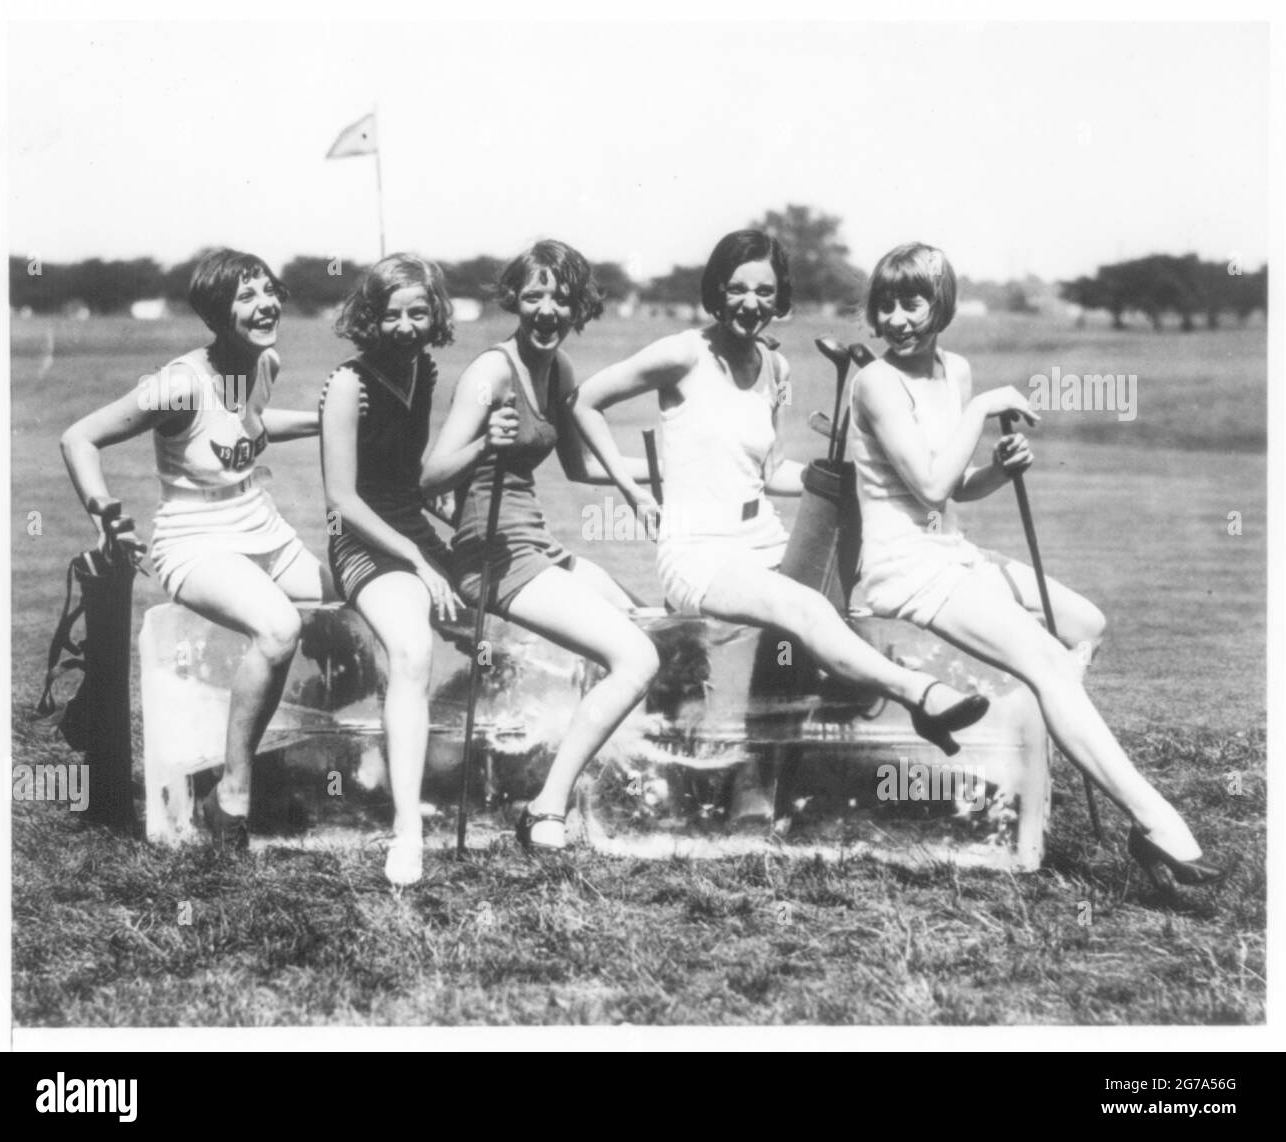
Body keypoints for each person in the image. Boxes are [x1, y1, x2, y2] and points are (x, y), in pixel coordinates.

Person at [846, 240, 1223, 890]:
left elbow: (956, 487)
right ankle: (1156, 824)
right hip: (901, 569)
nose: (900, 317)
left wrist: (997, 468)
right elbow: (928, 488)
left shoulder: (955, 370)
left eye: (913, 301)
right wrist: (980, 411)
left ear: (942, 304)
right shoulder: (875, 382)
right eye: (887, 304)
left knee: (1085, 625)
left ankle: (1047, 718)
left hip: (950, 553)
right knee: (1049, 663)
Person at [570, 229, 989, 763]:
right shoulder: (681, 353)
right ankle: (919, 694)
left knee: (838, 610)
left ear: (779, 297)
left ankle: (784, 768)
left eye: (765, 292)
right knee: (803, 608)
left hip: (761, 537)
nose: (751, 304)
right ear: (717, 289)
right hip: (697, 552)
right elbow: (584, 402)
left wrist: (850, 476)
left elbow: (771, 473)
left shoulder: (776, 368)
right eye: (738, 288)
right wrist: (632, 490)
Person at [60, 248, 326, 850]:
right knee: (279, 628)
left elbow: (253, 423)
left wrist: (323, 417)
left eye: (268, 291)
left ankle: (328, 759)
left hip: (266, 529)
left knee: (357, 600)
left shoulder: (265, 362)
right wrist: (105, 516)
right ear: (214, 312)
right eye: (245, 297)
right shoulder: (182, 384)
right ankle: (229, 794)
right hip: (196, 543)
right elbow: (80, 437)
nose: (265, 305)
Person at [422, 240, 660, 854]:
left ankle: (589, 781)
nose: (548, 310)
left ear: (579, 306)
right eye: (534, 296)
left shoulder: (560, 370)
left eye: (561, 297)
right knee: (636, 659)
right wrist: (484, 446)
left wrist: (647, 485)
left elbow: (582, 466)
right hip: (490, 557)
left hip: (536, 544)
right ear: (515, 303)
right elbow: (429, 475)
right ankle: (544, 809)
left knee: (643, 624)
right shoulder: (489, 373)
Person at [319, 254, 463, 885]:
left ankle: (451, 769)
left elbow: (410, 476)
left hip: (414, 532)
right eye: (391, 313)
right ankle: (408, 829)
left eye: (419, 311)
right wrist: (418, 560)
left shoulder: (423, 371)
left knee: (502, 616)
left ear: (435, 316)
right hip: (364, 542)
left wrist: (458, 520)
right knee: (410, 649)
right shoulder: (349, 383)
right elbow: (343, 500)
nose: (406, 326)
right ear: (368, 318)